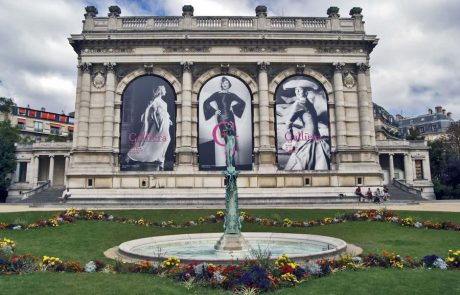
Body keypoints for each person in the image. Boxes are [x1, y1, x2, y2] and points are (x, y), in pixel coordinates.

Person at [283, 79, 330, 170]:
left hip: (316, 134)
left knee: (317, 156)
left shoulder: (309, 103)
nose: (297, 92)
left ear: (306, 92)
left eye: (299, 89)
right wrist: (290, 139)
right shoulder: (298, 104)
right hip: (308, 135)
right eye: (296, 90)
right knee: (304, 157)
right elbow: (288, 122)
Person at [202, 76, 246, 166]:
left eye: (227, 83)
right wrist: (215, 111)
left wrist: (233, 108)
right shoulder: (217, 94)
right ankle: (229, 161)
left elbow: (242, 102)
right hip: (222, 117)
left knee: (232, 139)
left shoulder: (231, 95)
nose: (226, 85)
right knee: (228, 139)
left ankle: (230, 160)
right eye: (224, 83)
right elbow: (206, 102)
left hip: (230, 117)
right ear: (221, 84)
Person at [126, 85, 172, 170]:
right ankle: (132, 154)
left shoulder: (162, 101)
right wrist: (157, 123)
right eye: (164, 90)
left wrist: (169, 120)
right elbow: (152, 113)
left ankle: (161, 159)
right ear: (161, 91)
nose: (165, 91)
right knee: (161, 140)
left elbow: (165, 113)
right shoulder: (156, 100)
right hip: (160, 123)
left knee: (166, 140)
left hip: (165, 122)